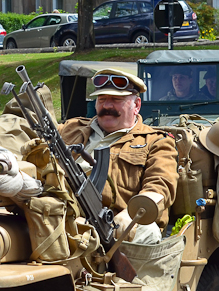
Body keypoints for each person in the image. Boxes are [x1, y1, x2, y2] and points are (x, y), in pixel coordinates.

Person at [59, 68, 178, 242]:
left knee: (146, 230)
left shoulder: (156, 142)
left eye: (116, 100)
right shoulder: (72, 128)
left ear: (136, 105)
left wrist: (133, 212)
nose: (107, 106)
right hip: (60, 212)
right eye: (102, 99)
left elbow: (161, 185)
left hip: (112, 226)